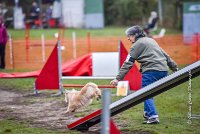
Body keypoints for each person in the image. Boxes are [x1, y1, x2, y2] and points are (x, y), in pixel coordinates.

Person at [110, 25, 178, 124]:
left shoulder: (136, 45)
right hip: (163, 70)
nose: (128, 38)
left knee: (146, 93)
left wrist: (117, 79)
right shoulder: (151, 40)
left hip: (151, 71)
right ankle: (147, 113)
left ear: (135, 35)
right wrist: (174, 67)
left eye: (129, 36)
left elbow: (128, 63)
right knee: (149, 92)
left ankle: (153, 116)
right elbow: (165, 55)